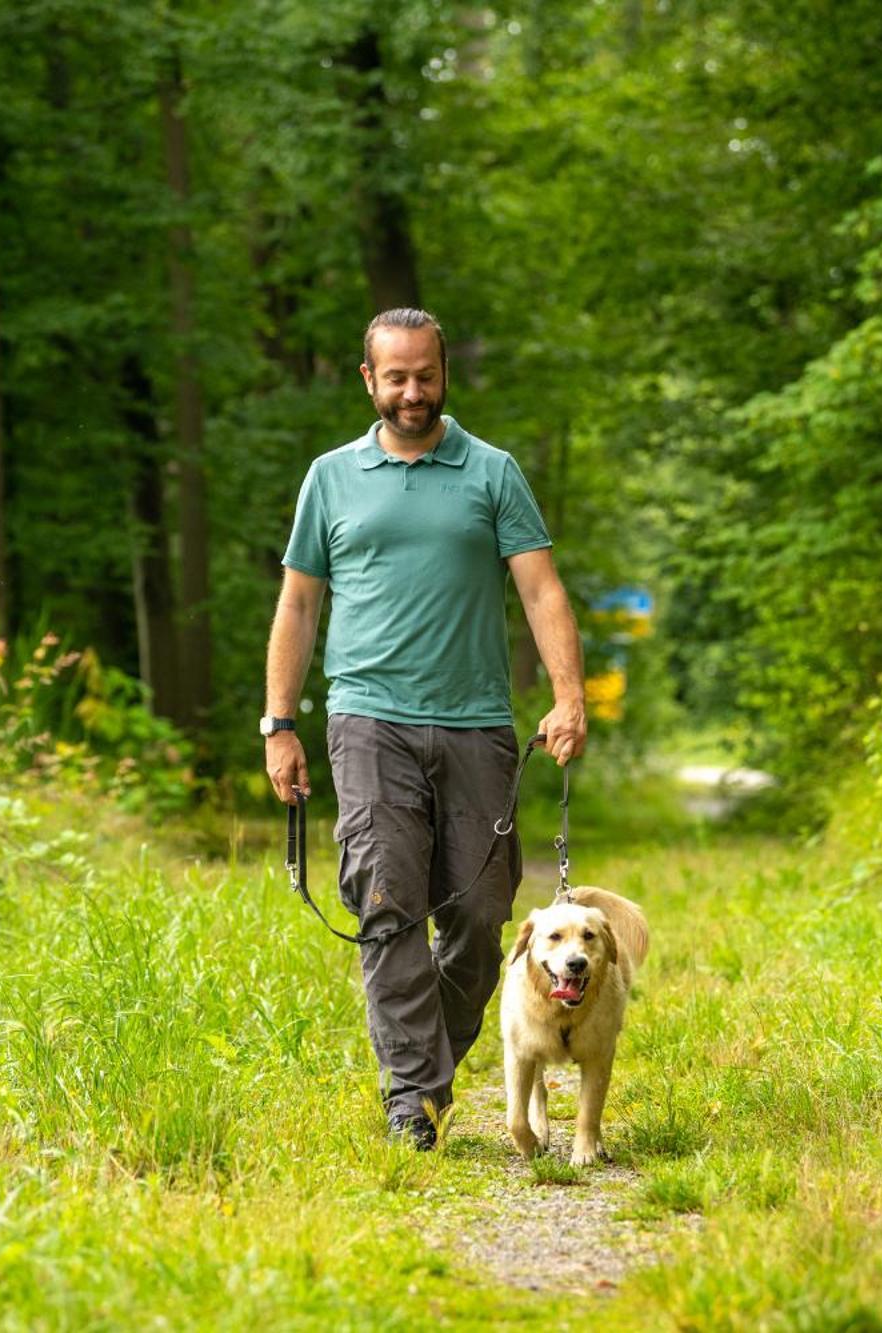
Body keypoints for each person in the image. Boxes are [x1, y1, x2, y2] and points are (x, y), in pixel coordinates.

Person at [262, 307, 586, 1150]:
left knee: (483, 916)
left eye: (425, 375)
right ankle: (415, 1098)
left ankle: (422, 1062)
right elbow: (299, 602)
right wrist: (280, 723)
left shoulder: (492, 472)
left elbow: (542, 589)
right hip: (368, 719)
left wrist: (568, 694)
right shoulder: (331, 477)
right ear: (368, 379)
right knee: (388, 902)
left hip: (477, 722)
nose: (412, 392)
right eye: (395, 377)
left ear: (446, 373)